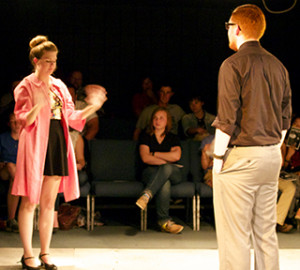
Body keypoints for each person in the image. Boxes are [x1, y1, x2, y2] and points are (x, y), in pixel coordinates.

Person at [12, 35, 107, 270]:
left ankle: (45, 253)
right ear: (36, 61)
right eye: (47, 61)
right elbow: (22, 118)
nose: (52, 65)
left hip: (56, 142)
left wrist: (93, 107)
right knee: (28, 202)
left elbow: (73, 118)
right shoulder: (26, 84)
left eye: (54, 61)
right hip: (35, 144)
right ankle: (27, 254)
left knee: (48, 203)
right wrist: (37, 105)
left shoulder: (59, 85)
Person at [211, 4, 292, 270]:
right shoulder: (279, 66)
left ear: (237, 29)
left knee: (234, 237)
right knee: (265, 234)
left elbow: (226, 120)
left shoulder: (232, 64)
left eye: (228, 27)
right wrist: (269, 149)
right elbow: (284, 120)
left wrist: (217, 160)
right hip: (270, 156)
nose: (228, 32)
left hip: (241, 159)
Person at [136, 107, 184, 234]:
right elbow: (145, 158)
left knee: (167, 170)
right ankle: (164, 222)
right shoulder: (146, 136)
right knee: (165, 182)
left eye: (161, 118)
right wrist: (167, 160)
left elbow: (176, 156)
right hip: (150, 172)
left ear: (167, 121)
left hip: (174, 173)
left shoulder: (173, 138)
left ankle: (147, 194)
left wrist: (155, 154)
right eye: (155, 118)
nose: (158, 121)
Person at [0, 113, 20, 233]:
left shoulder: (27, 138)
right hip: (5, 170)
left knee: (15, 181)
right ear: (9, 124)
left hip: (21, 172)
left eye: (18, 121)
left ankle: (11, 219)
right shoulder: (3, 138)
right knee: (11, 166)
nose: (16, 124)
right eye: (13, 121)